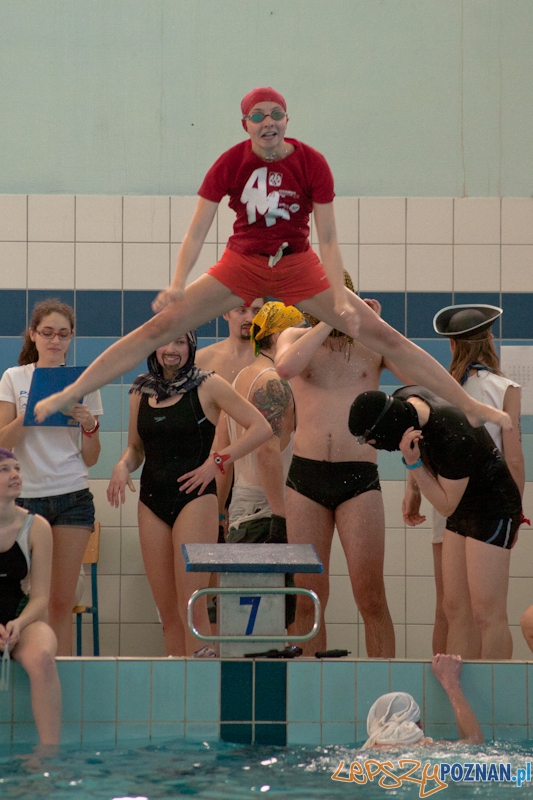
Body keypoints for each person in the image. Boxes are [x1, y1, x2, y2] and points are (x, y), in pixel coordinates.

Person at [33, 87, 509, 435]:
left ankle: (470, 404)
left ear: (286, 120)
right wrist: (177, 283)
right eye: (257, 115)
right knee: (157, 329)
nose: (268, 122)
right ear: (245, 125)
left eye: (276, 114)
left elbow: (329, 236)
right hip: (243, 261)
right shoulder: (230, 163)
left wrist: (341, 297)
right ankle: (71, 391)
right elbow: (198, 228)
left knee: (382, 334)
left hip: (297, 262)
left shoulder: (311, 163)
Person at [106, 331, 271, 657]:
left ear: (191, 347)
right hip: (152, 501)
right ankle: (177, 696)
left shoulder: (207, 384)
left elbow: (260, 427)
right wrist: (123, 465)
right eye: (166, 340)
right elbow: (136, 449)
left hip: (195, 500)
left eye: (180, 341)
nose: (171, 349)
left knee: (193, 607)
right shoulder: (141, 390)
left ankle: (203, 692)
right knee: (168, 614)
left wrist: (218, 460)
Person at [348, 385, 522, 659]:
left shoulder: (454, 436)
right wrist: (413, 489)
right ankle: (459, 687)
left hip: (493, 507)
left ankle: (494, 695)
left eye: (373, 441)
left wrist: (413, 465)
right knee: (454, 607)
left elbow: (444, 504)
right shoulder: (406, 401)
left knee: (487, 614)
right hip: (461, 504)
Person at [275, 281, 395, 657]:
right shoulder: (294, 336)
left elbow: (417, 375)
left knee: (370, 595)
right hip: (305, 479)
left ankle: (386, 696)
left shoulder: (370, 343)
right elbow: (284, 368)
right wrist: (329, 321)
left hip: (358, 480)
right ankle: (308, 697)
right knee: (307, 597)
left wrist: (379, 328)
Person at [0, 299, 102, 656]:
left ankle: (61, 678)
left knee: (61, 600)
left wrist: (89, 424)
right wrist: (33, 413)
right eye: (47, 333)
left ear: (72, 337)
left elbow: (91, 458)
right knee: (27, 598)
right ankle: (32, 670)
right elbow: (2, 443)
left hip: (71, 494)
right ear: (33, 334)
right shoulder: (15, 378)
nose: (54, 341)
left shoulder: (85, 382)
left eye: (62, 334)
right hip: (25, 499)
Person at [426, 304, 525, 656]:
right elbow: (513, 456)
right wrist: (516, 512)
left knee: (458, 612)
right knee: (487, 613)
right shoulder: (505, 388)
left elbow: (426, 450)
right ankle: (472, 699)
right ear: (489, 341)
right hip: (482, 504)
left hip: (453, 501)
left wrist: (411, 492)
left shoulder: (439, 392)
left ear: (452, 346)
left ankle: (477, 703)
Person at [0, 447, 61, 745]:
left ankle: (49, 755)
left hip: (19, 617)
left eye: (17, 468)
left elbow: (40, 597)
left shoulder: (36, 527)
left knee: (43, 658)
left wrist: (19, 624)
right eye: (4, 470)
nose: (15, 475)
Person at [363, 654, 483, 748]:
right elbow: (475, 742)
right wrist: (452, 685)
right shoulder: (424, 746)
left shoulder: (368, 748)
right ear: (418, 727)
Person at [195, 298, 264, 383]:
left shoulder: (277, 363)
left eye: (257, 312)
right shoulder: (200, 361)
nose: (250, 319)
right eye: (242, 311)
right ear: (226, 313)